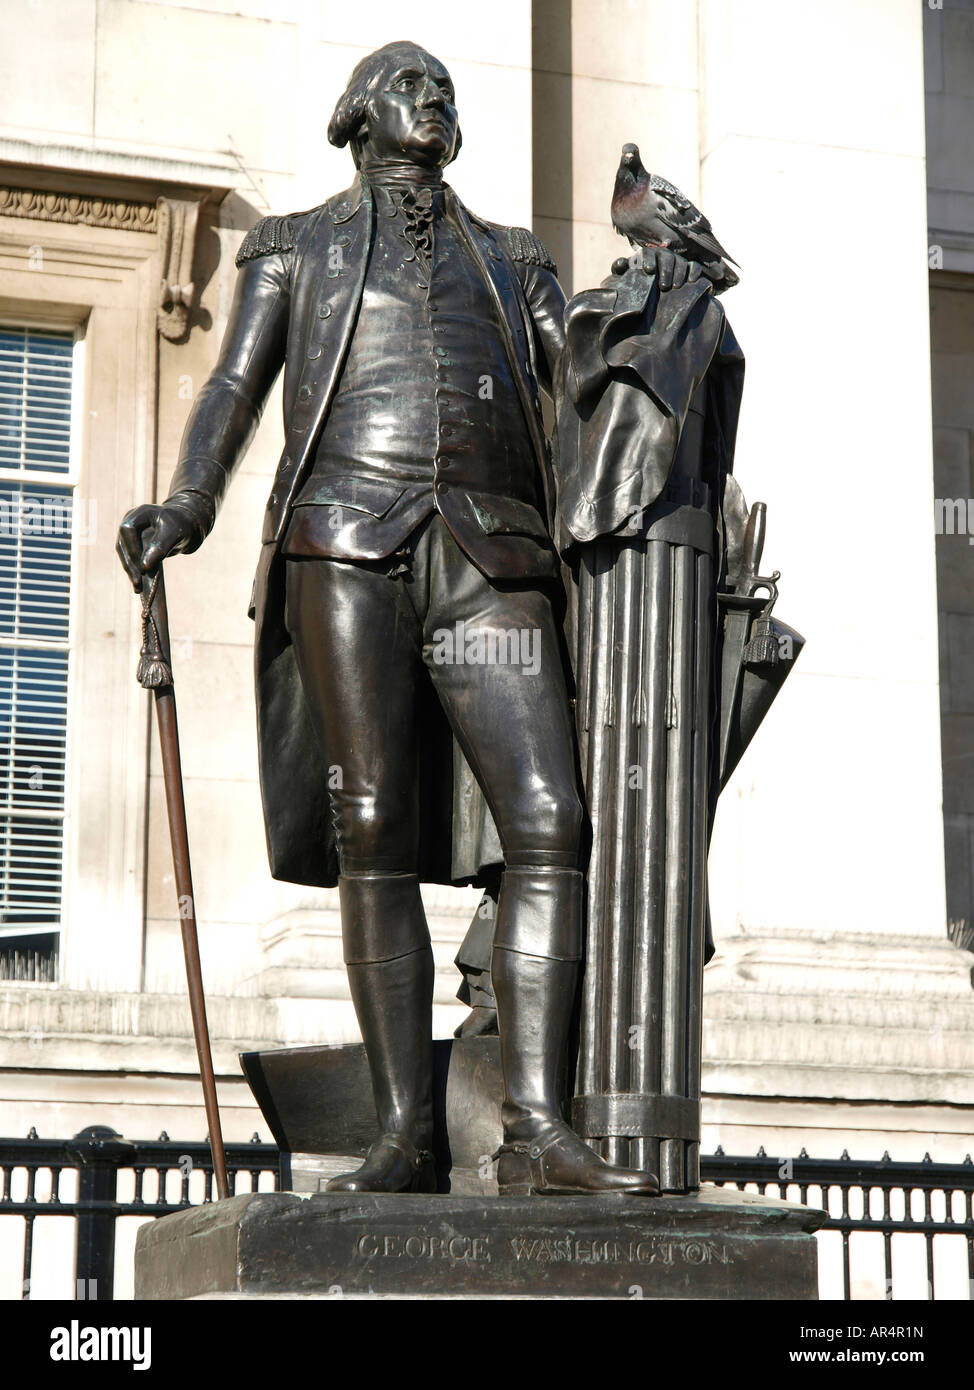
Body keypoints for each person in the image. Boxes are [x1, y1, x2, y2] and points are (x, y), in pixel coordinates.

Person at [118, 41, 690, 1197]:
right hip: (344, 542)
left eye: (445, 87)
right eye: (411, 85)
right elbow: (235, 383)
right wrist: (189, 498)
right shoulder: (291, 245)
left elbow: (573, 380)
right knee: (369, 822)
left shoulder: (512, 258)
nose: (436, 98)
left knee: (547, 815)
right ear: (357, 117)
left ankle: (535, 1125)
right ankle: (402, 1131)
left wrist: (653, 314)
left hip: (491, 549)